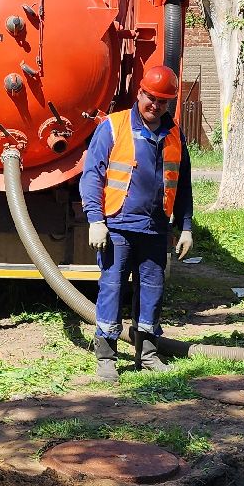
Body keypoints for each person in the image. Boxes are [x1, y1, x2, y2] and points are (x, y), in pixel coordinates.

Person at [80, 65, 194, 383]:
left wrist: (185, 227)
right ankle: (106, 357)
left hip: (156, 228)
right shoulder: (113, 127)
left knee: (152, 291)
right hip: (117, 226)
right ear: (139, 93)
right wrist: (95, 220)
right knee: (112, 290)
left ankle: (148, 353)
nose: (155, 105)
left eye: (162, 100)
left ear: (169, 103)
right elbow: (92, 175)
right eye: (150, 98)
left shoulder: (174, 135)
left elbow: (182, 184)